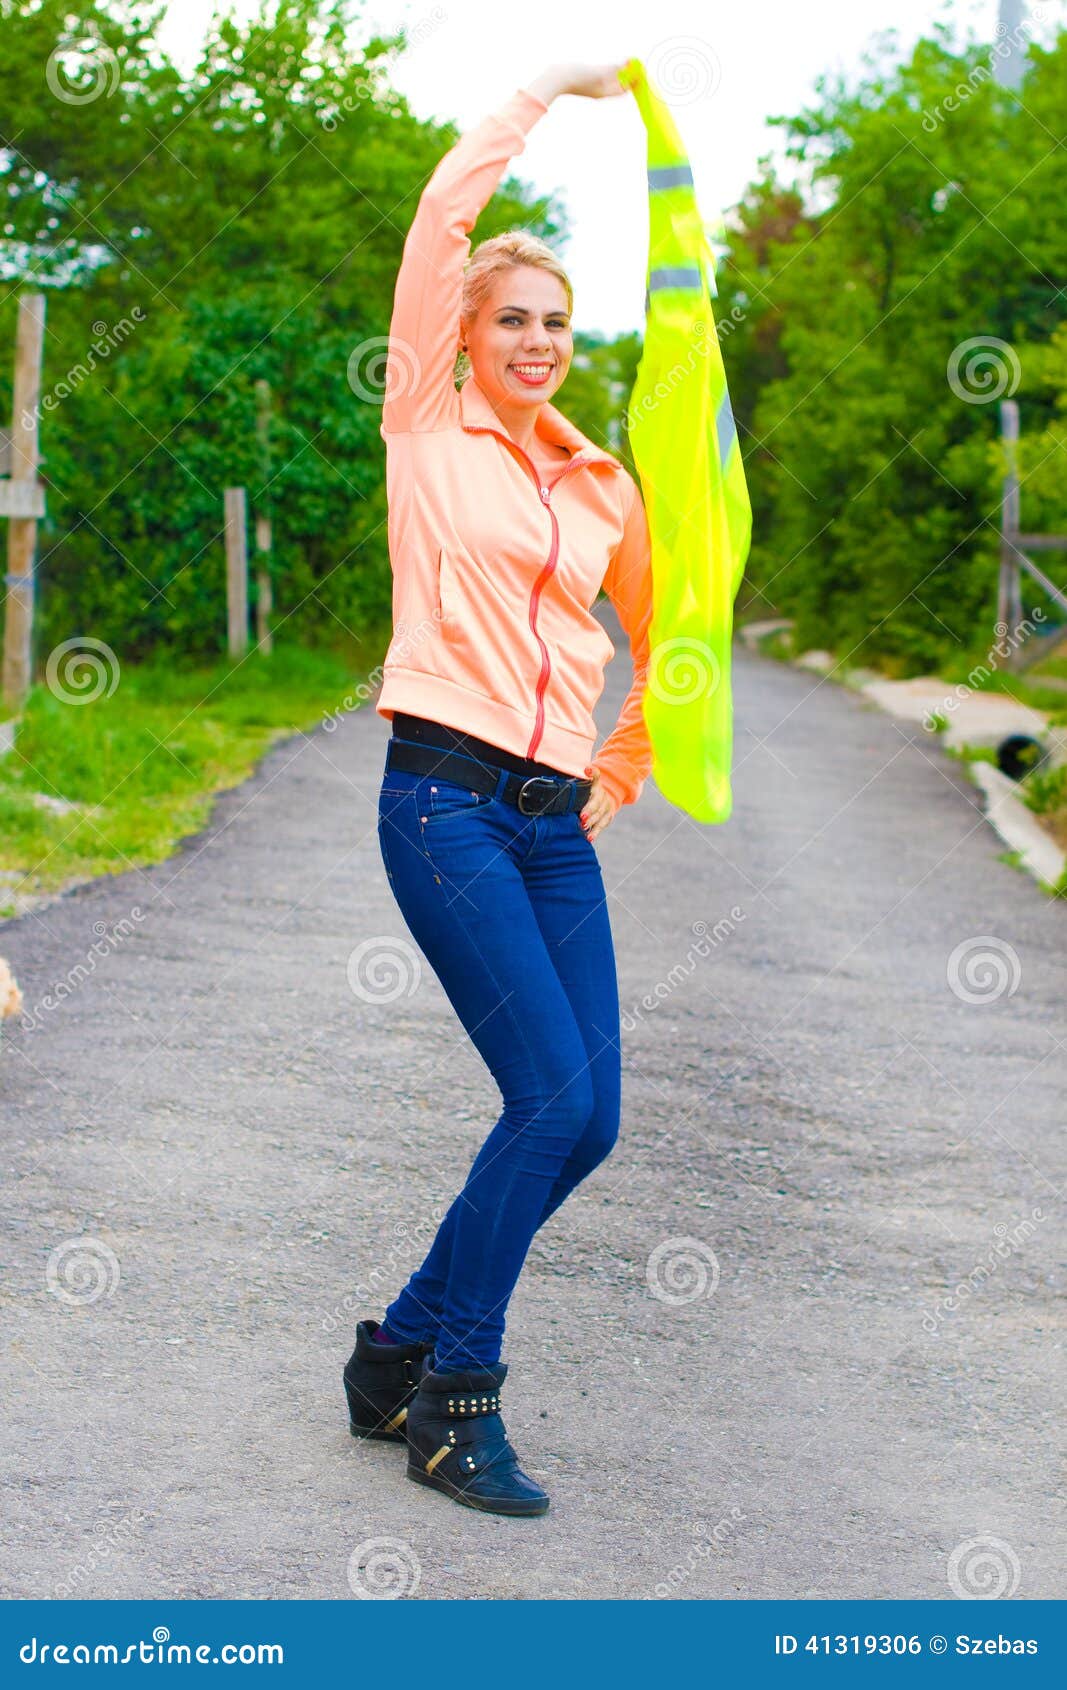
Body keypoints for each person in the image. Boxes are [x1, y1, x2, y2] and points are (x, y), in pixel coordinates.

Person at [343, 60, 654, 1518]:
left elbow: (672, 640)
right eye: (512, 318)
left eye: (556, 322)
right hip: (442, 803)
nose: (537, 341)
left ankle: (395, 1346)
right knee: (545, 1097)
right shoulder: (426, 425)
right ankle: (453, 1402)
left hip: (550, 825)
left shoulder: (603, 484)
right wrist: (540, 97)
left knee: (588, 1119)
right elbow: (440, 220)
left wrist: (621, 763)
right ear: (464, 334)